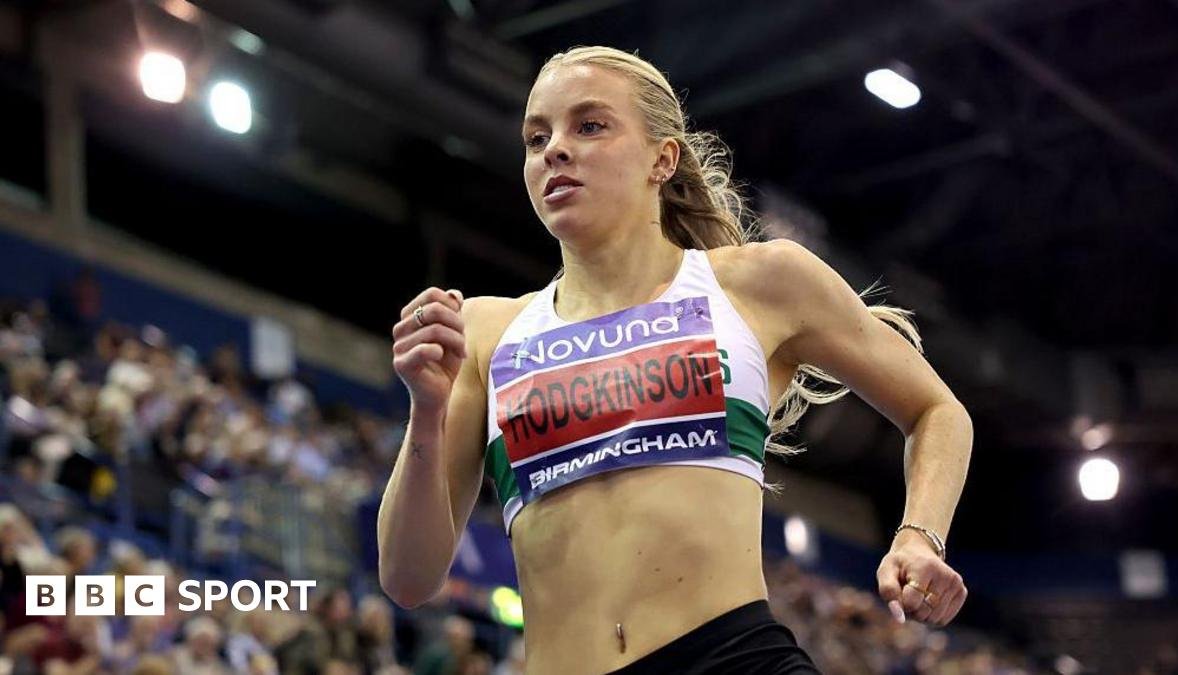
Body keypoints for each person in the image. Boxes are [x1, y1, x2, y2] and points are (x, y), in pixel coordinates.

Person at [378, 45, 973, 674]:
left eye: (589, 125)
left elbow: (937, 410)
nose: (555, 150)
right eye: (536, 137)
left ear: (662, 159)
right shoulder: (484, 332)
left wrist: (919, 535)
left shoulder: (759, 284)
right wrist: (427, 411)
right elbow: (407, 579)